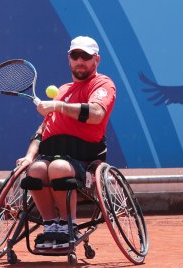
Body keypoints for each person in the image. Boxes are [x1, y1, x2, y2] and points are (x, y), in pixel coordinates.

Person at [16, 36, 116, 250]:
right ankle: (51, 225)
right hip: (52, 154)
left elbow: (96, 113)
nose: (80, 61)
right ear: (69, 59)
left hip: (84, 159)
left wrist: (58, 106)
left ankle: (68, 225)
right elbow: (43, 129)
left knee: (58, 168)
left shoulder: (103, 84)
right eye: (75, 56)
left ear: (96, 60)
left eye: (86, 56)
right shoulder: (63, 90)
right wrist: (29, 156)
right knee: (35, 170)